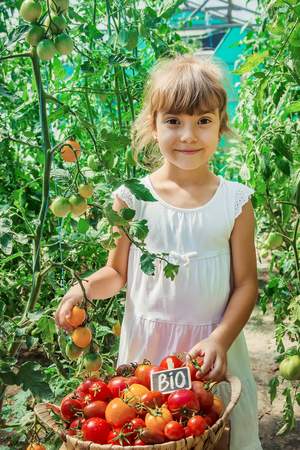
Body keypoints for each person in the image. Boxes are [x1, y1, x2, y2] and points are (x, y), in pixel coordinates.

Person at [55, 53, 262, 450]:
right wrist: (81, 289)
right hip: (147, 356)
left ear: (222, 128)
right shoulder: (132, 198)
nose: (188, 135)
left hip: (210, 352)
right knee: (148, 432)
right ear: (153, 126)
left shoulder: (235, 202)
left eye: (203, 121)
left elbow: (247, 285)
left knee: (211, 431)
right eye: (174, 121)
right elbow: (117, 273)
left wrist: (221, 339)